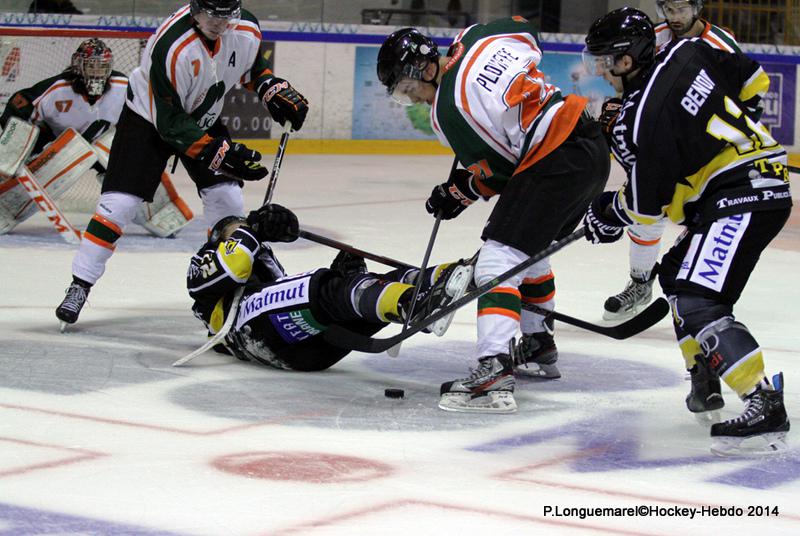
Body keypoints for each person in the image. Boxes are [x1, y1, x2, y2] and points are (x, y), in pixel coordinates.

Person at [582, 7, 790, 455]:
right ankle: (707, 373)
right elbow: (752, 80)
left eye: (606, 60)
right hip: (753, 179)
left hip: (740, 194)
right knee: (676, 274)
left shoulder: (640, 117)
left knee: (698, 297)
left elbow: (645, 205)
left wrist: (605, 214)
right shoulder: (690, 49)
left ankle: (763, 401)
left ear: (627, 58)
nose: (602, 70)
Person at [376, 19, 610, 413]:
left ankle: (493, 371)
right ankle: (537, 345)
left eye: (408, 88)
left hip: (554, 156)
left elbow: (504, 172)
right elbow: (527, 30)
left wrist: (459, 191)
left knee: (499, 259)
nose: (413, 99)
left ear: (426, 70)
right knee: (531, 251)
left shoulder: (447, 112)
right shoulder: (475, 37)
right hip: (589, 147)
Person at [55, 0, 309, 329]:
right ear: (194, 9)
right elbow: (171, 123)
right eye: (210, 14)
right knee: (118, 206)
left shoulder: (244, 28)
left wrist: (271, 88)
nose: (218, 22)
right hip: (149, 119)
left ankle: (227, 283)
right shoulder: (172, 47)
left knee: (227, 199)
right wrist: (222, 153)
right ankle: (80, 284)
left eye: (225, 15)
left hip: (202, 116)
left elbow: (249, 68)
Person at [187, 204, 473, 371]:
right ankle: (414, 305)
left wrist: (342, 276)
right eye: (235, 229)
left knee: (369, 284)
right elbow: (233, 268)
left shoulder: (257, 257)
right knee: (324, 288)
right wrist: (250, 230)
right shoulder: (203, 261)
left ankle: (453, 277)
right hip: (249, 332)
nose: (243, 229)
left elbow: (285, 300)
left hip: (306, 349)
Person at [600, 0, 747, 321]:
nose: (674, 17)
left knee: (702, 213)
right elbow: (637, 83)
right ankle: (640, 281)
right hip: (666, 140)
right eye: (668, 9)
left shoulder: (721, 44)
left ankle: (698, 287)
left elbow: (746, 97)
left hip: (708, 149)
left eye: (681, 9)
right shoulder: (654, 37)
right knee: (645, 203)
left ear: (698, 7)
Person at [0, 38, 193, 238]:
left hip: (105, 144)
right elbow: (18, 105)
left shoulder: (124, 86)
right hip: (60, 145)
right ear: (78, 65)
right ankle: (5, 209)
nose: (97, 73)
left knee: (132, 166)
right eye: (91, 66)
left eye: (102, 67)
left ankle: (160, 213)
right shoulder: (56, 89)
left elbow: (152, 111)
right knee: (50, 168)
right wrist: (15, 146)